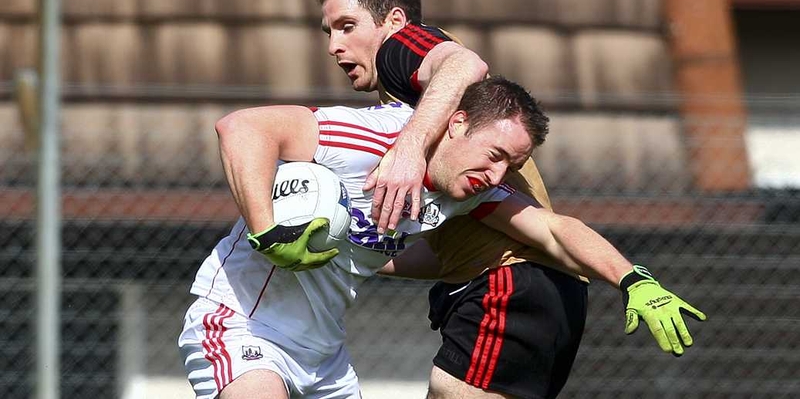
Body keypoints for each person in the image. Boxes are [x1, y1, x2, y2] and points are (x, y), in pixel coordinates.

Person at [178, 76, 705, 399]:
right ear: (455, 124)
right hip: (240, 322)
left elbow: (552, 228)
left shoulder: (468, 192)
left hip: (324, 355)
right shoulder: (378, 136)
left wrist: (634, 280)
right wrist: (267, 230)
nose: (498, 175)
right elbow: (242, 127)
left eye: (513, 166)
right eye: (495, 155)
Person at [315, 0, 592, 398]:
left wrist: (408, 148)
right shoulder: (425, 112)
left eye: (347, 26)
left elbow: (465, 63)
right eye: (329, 32)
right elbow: (449, 249)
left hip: (509, 282)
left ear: (394, 20)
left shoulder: (397, 48)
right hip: (540, 288)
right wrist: (348, 251)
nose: (334, 45)